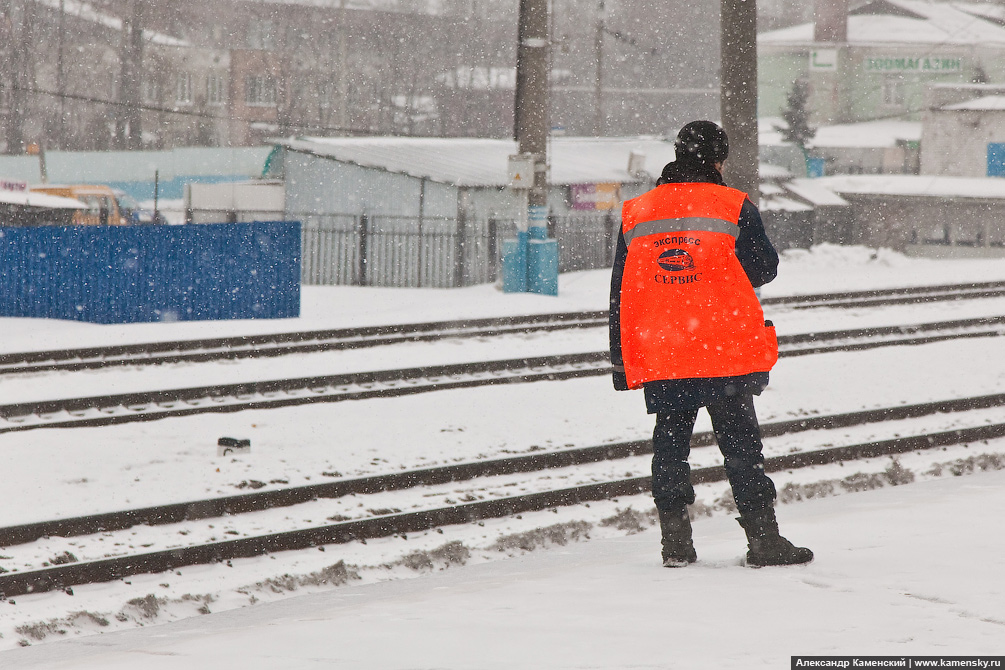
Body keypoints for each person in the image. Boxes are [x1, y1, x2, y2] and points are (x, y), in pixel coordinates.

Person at [608, 120, 813, 568]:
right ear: (718, 159)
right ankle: (762, 540)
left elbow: (621, 288)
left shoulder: (637, 211)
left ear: (678, 153)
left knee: (670, 444)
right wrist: (709, 271)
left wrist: (621, 362)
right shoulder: (733, 205)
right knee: (742, 448)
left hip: (665, 348)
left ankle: (675, 545)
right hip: (723, 347)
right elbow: (763, 269)